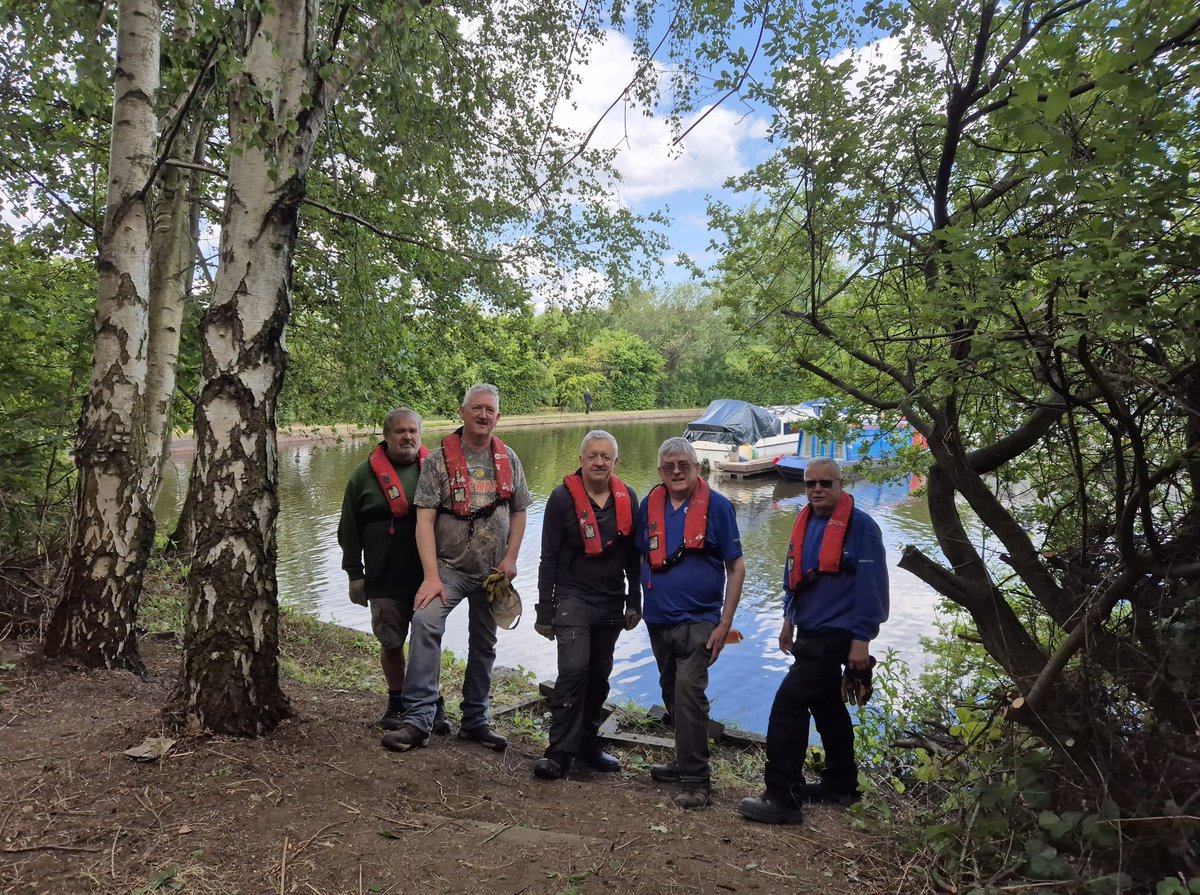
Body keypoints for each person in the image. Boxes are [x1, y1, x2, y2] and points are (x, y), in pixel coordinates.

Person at [380, 384, 532, 753]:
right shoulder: (438, 461)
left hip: (492, 573)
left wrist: (511, 559)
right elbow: (424, 521)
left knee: (484, 642)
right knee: (425, 622)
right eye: (476, 408)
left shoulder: (509, 458)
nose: (483, 415)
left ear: (498, 417)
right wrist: (431, 577)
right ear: (462, 413)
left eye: (490, 410)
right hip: (447, 569)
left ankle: (475, 720)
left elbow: (519, 510)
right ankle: (418, 719)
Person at [739, 458, 889, 825]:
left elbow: (873, 588)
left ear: (841, 484)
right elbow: (794, 577)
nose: (817, 489)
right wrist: (787, 622)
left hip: (837, 635)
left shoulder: (862, 527)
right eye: (810, 484)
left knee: (788, 704)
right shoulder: (805, 521)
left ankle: (782, 797)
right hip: (808, 631)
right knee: (825, 704)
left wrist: (862, 640)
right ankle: (841, 784)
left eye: (825, 483)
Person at [636, 437, 745, 809]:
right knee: (670, 690)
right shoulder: (649, 505)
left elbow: (736, 567)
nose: (677, 471)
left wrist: (724, 623)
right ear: (660, 472)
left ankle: (698, 781)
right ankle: (684, 761)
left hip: (700, 621)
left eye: (684, 465)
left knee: (688, 693)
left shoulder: (718, 507)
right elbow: (640, 556)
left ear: (698, 468)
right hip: (658, 619)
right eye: (669, 466)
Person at [533, 430, 641, 780]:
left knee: (598, 675)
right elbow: (548, 557)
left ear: (615, 462)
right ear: (580, 460)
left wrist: (634, 600)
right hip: (572, 597)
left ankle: (587, 745)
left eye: (605, 456)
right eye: (592, 456)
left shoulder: (629, 497)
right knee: (574, 670)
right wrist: (544, 611)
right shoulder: (561, 498)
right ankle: (558, 752)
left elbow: (634, 557)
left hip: (610, 600)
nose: (598, 462)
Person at [338, 408, 432, 731]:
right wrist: (355, 574)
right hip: (384, 577)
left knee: (427, 643)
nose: (407, 437)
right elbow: (348, 529)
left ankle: (431, 703)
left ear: (420, 434)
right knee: (391, 643)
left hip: (428, 578)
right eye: (399, 431)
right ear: (386, 436)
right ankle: (396, 701)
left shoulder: (435, 469)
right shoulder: (362, 476)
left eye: (413, 431)